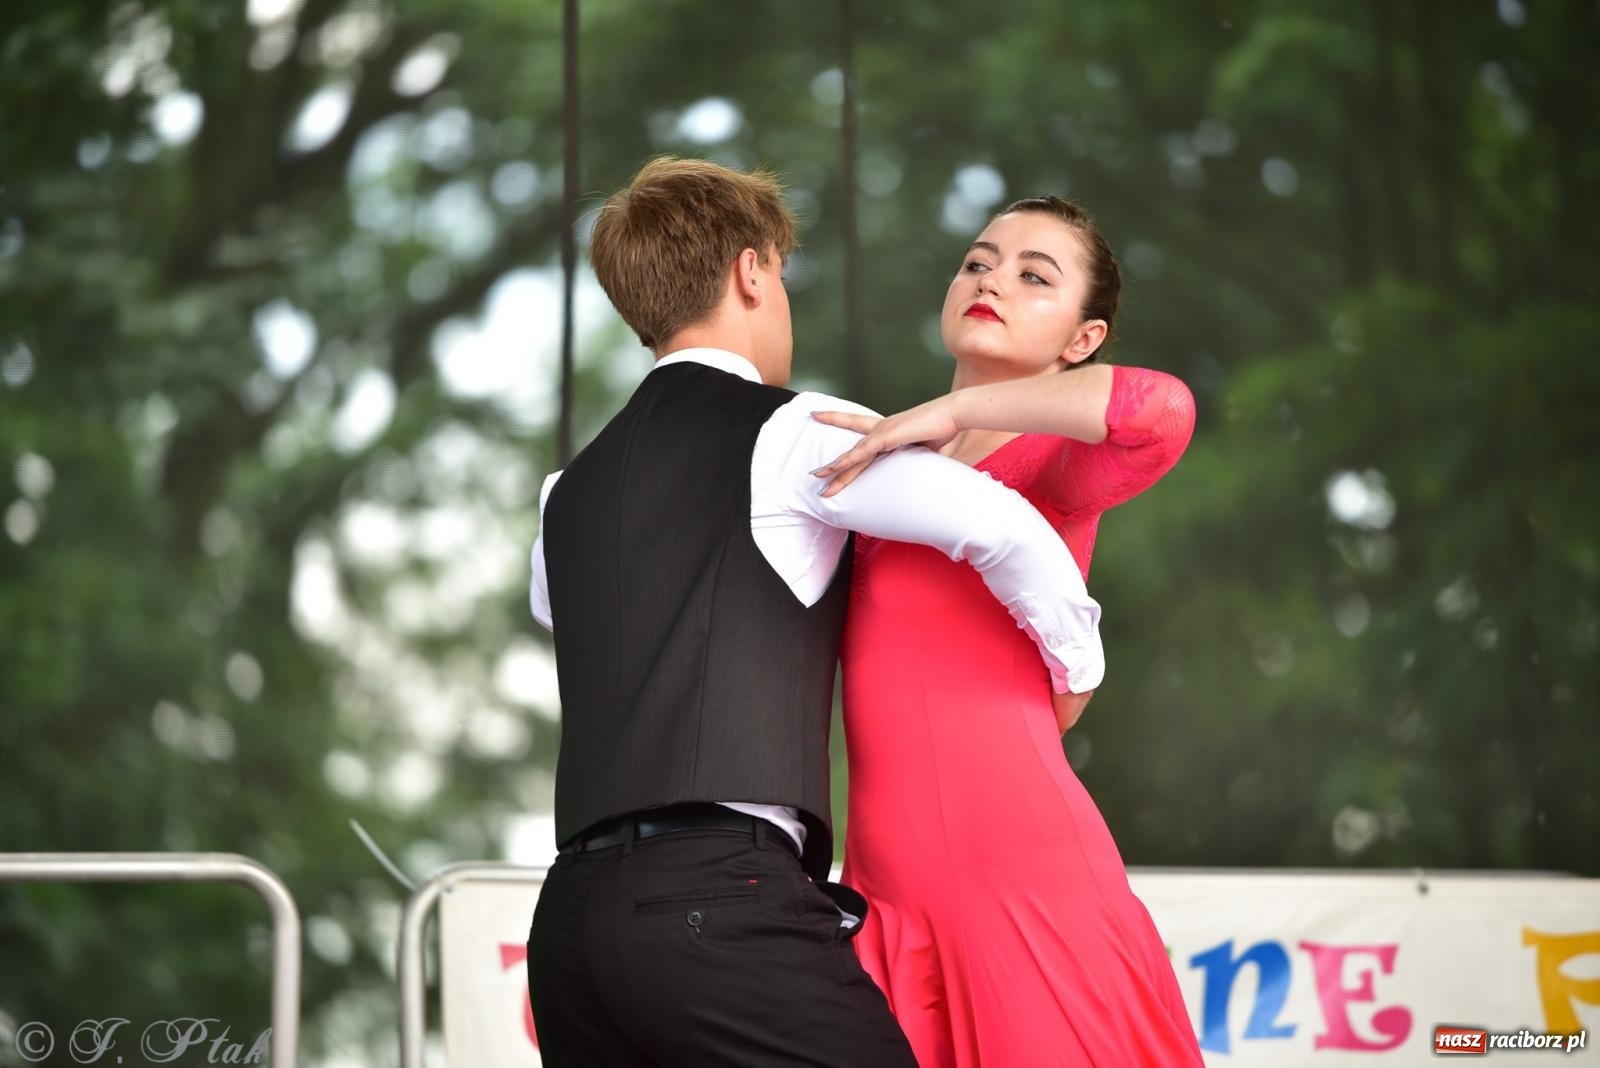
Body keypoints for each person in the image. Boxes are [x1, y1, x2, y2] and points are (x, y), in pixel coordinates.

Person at [525, 161, 1106, 1067]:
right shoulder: (799, 431)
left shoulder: (566, 495)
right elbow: (1001, 526)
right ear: (754, 273)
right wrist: (1078, 667)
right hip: (717, 896)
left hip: (566, 929)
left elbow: (583, 622)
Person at [813, 196, 1204, 1066]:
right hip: (883, 894)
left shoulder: (1053, 469)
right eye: (979, 261)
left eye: (1036, 276)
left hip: (1023, 881)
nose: (991, 279)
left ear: (1083, 340)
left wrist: (948, 415)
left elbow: (1163, 411)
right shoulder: (882, 471)